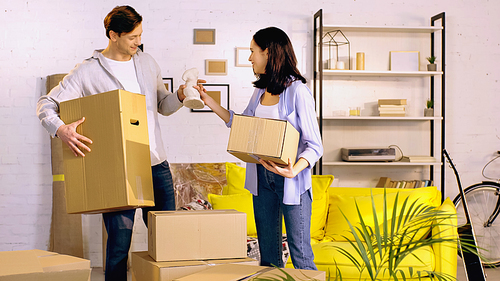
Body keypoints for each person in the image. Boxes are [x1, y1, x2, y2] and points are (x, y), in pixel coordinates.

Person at [36, 6, 205, 281]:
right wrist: (61, 130)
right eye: (132, 37)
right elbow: (46, 104)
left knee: (167, 242)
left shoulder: (147, 62)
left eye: (140, 35)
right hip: (119, 170)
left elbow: (162, 104)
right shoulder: (87, 72)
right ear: (113, 35)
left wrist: (182, 96)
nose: (138, 42)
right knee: (118, 247)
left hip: (155, 164)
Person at [200, 26, 323, 270]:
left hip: (291, 180)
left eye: (252, 51)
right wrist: (209, 101)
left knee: (301, 256)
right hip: (262, 178)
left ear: (268, 53)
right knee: (268, 256)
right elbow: (241, 125)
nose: (250, 58)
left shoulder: (298, 91)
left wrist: (293, 170)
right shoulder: (259, 92)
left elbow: (315, 145)